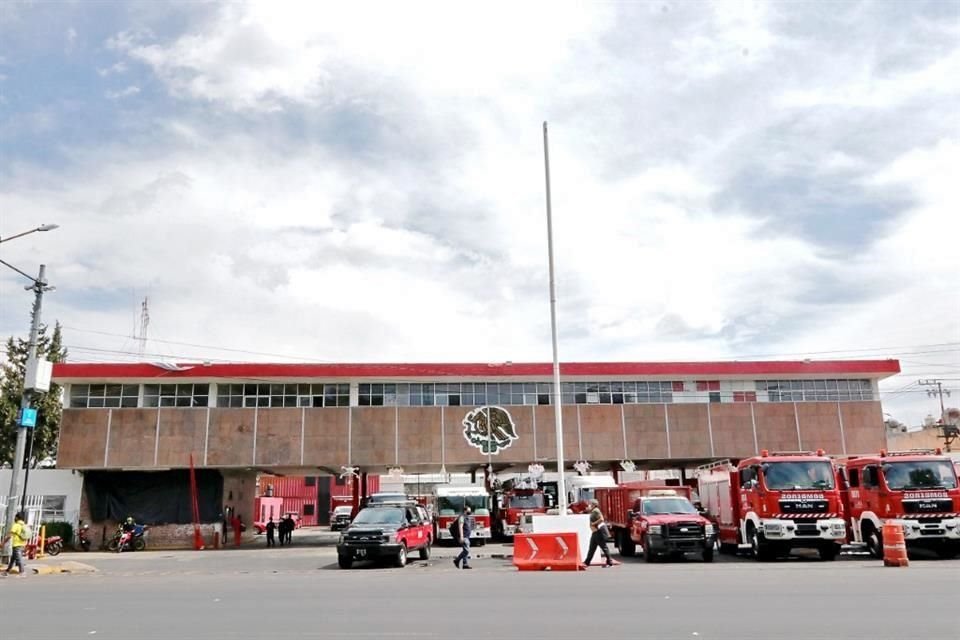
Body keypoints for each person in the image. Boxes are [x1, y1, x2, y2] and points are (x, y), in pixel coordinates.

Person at [584, 499, 613, 568]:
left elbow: (601, 519)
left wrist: (593, 523)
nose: (589, 505)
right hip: (595, 532)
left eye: (590, 504)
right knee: (592, 548)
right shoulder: (593, 511)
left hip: (598, 532)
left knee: (604, 547)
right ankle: (587, 562)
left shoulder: (596, 511)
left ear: (593, 505)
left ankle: (610, 562)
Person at [1, 512, 29, 577]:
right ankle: (7, 572)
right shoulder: (24, 525)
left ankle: (22, 572)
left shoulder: (16, 525)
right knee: (12, 559)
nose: (14, 518)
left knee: (19, 559)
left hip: (17, 545)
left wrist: (3, 542)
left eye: (15, 517)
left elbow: (9, 535)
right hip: (23, 545)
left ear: (17, 517)